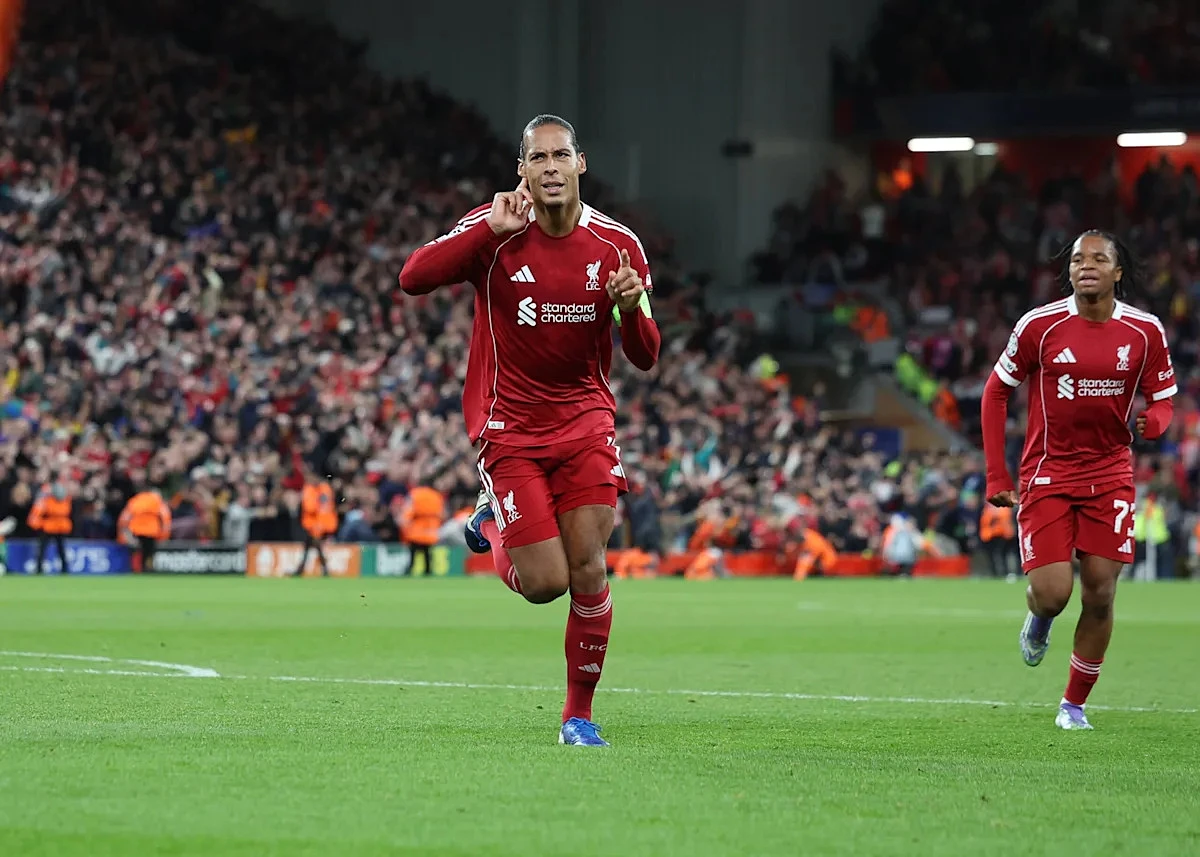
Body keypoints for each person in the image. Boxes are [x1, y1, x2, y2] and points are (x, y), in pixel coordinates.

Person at [398, 114, 660, 746]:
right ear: (522, 169)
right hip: (508, 427)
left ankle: (578, 717)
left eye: (560, 155)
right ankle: (491, 521)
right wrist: (485, 230)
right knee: (545, 584)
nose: (549, 167)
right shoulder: (495, 229)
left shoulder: (618, 246)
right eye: (537, 158)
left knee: (590, 569)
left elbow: (646, 354)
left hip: (585, 424)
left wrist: (630, 309)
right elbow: (412, 277)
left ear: (580, 164)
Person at [980, 230, 1176, 730]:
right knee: (1052, 593)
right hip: (1048, 472)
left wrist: (1154, 423)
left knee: (1101, 593)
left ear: (1117, 272)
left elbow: (1164, 400)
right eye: (1076, 259)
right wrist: (997, 473)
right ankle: (1040, 619)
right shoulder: (1039, 326)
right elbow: (994, 394)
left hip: (1111, 474)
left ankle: (1073, 705)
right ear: (1068, 270)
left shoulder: (1145, 331)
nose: (1086, 265)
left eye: (1098, 258)